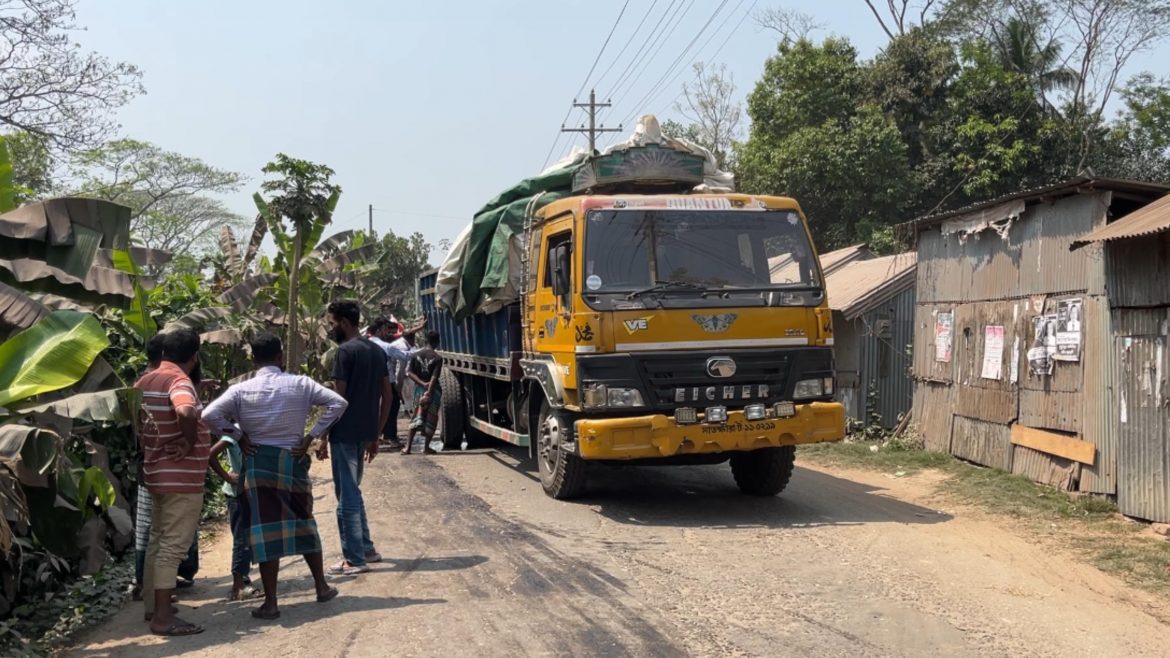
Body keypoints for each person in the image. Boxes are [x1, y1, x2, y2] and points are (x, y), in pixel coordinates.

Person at [202, 332, 346, 619]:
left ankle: (271, 602)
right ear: (280, 357)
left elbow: (208, 415)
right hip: (292, 460)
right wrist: (312, 436)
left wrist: (237, 434)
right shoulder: (301, 383)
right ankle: (321, 586)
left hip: (257, 463)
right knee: (304, 520)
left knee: (264, 529)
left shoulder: (241, 390)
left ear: (253, 359)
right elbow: (338, 403)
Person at [135, 329, 212, 637]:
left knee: (157, 539)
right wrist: (190, 441)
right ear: (194, 357)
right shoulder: (179, 381)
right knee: (172, 546)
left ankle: (154, 606)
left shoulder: (145, 380)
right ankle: (163, 618)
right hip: (180, 477)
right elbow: (185, 409)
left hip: (155, 472)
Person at [319, 300, 392, 576]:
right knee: (353, 490)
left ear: (345, 323)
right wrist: (376, 433)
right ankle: (368, 549)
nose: (330, 328)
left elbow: (337, 401)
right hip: (364, 432)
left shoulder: (344, 353)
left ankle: (354, 558)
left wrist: (321, 435)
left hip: (345, 432)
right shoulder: (375, 351)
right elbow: (388, 396)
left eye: (332, 323)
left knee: (346, 494)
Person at [207, 434, 257, 601]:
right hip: (237, 493)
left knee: (247, 537)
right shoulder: (234, 434)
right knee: (242, 539)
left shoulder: (249, 429)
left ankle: (242, 578)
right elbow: (210, 454)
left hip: (250, 492)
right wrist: (227, 477)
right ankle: (238, 585)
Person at [403, 331, 444, 455]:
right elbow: (434, 377)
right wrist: (429, 392)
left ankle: (407, 448)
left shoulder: (416, 355)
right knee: (431, 418)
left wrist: (421, 384)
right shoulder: (438, 358)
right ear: (437, 342)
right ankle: (426, 447)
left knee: (416, 416)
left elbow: (409, 373)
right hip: (433, 391)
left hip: (418, 391)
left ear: (426, 340)